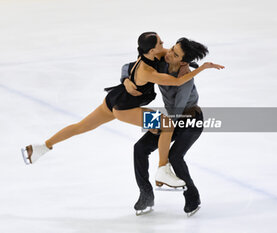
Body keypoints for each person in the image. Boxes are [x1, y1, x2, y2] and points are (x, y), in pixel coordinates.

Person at [21, 32, 224, 189]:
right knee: (166, 124)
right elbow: (177, 80)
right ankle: (163, 168)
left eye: (168, 46)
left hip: (114, 98)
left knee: (81, 126)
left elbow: (131, 67)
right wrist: (203, 68)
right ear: (152, 51)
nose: (166, 48)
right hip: (124, 108)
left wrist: (126, 81)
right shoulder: (150, 69)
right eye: (162, 45)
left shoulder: (154, 55)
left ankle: (41, 147)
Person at [121, 37, 212, 215]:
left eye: (175, 54)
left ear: (183, 61)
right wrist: (126, 80)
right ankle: (145, 195)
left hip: (190, 119)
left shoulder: (185, 78)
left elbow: (177, 113)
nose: (168, 53)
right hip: (171, 118)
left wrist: (156, 124)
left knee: (175, 156)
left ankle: (192, 196)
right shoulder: (162, 61)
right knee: (139, 148)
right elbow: (129, 66)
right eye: (171, 48)